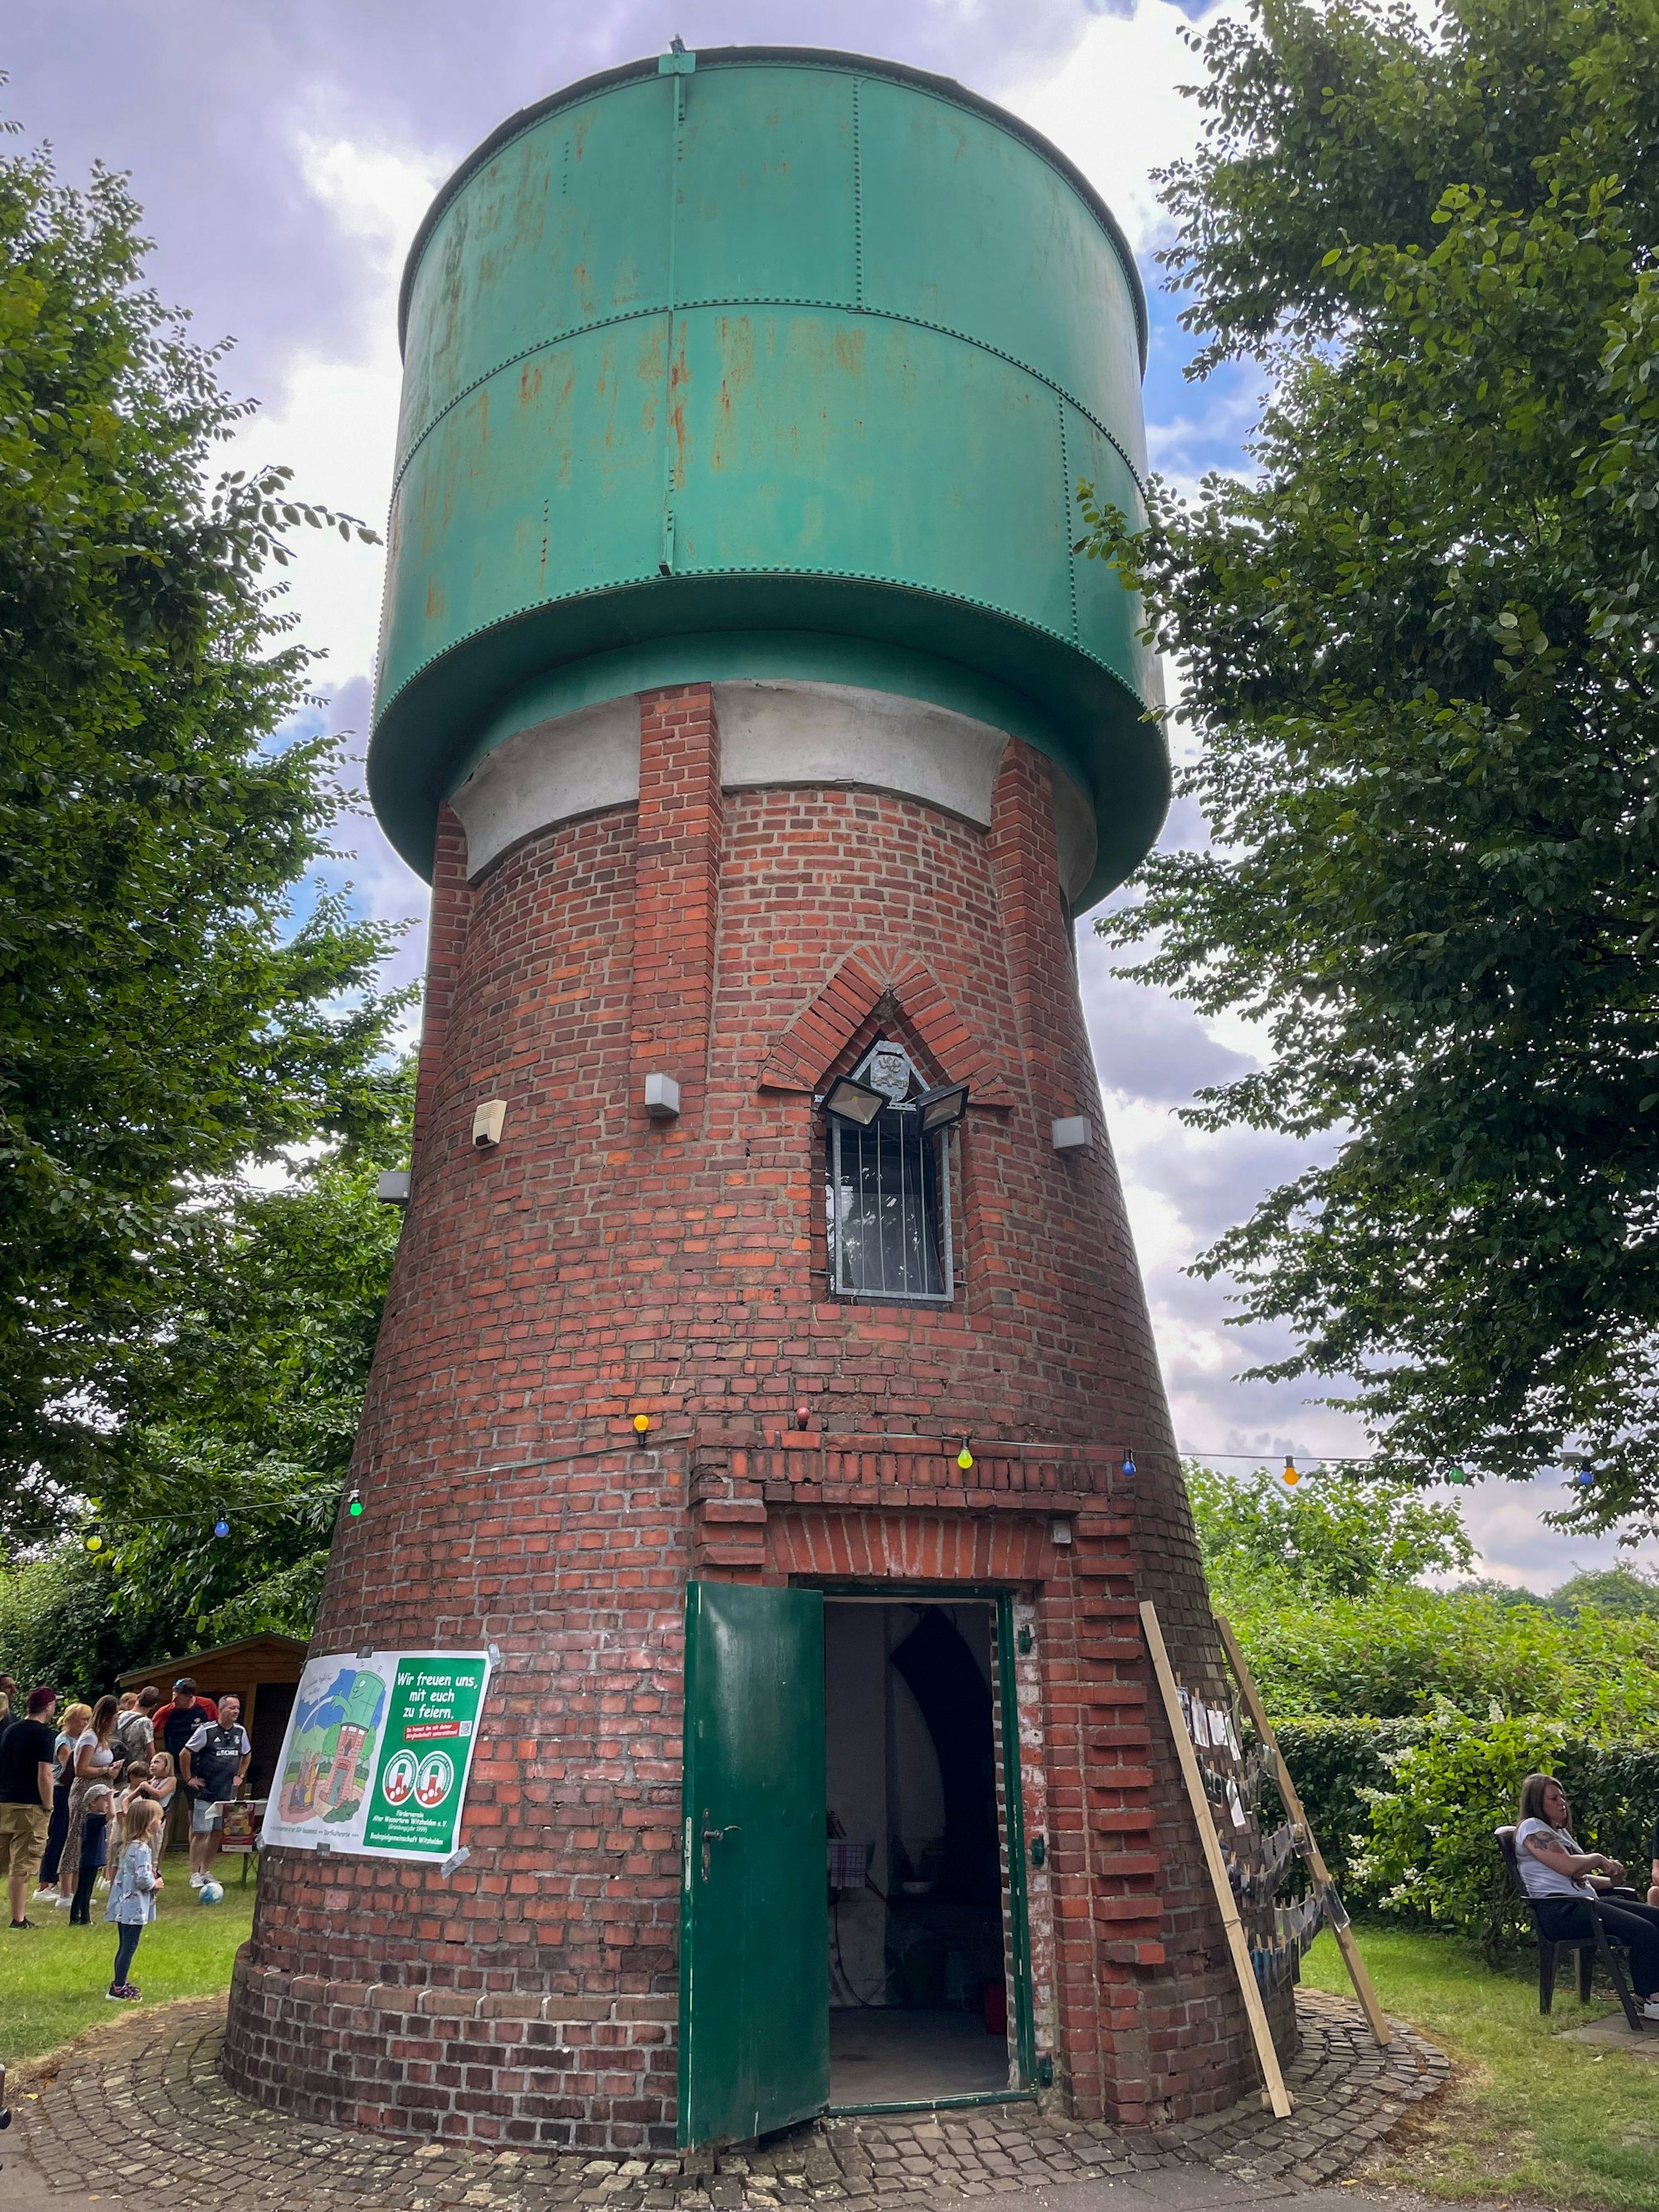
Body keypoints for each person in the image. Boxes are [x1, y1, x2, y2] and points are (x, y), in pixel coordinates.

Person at [1515, 1773, 1659, 2021]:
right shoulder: (1532, 1828)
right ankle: (1650, 1998)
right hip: (1562, 1911)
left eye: (1562, 1797)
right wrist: (1598, 1859)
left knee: (1656, 1918)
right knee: (1644, 1930)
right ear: (1537, 1803)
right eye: (1553, 1799)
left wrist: (1610, 1882)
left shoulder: (1558, 1832)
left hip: (1584, 1904)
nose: (1562, 1803)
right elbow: (1568, 1867)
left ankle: (1647, 1994)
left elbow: (1578, 1878)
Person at [0, 1685, 57, 1929]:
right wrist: (49, 1805)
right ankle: (19, 1918)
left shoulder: (11, 1729)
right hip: (29, 1805)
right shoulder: (44, 1734)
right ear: (48, 1707)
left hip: (4, 1802)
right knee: (22, 1865)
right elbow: (45, 1774)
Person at [180, 1693, 251, 1886]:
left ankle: (206, 1870)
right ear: (221, 1709)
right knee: (201, 1832)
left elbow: (247, 1754)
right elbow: (185, 1753)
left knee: (217, 1832)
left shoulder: (240, 1732)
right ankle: (194, 1873)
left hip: (226, 1793)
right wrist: (189, 1778)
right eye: (232, 1708)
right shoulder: (207, 1730)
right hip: (206, 1791)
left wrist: (240, 1775)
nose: (236, 1711)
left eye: (238, 1708)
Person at [58, 1695, 119, 1902]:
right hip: (85, 1792)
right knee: (76, 1838)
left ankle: (79, 1891)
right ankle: (66, 1892)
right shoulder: (90, 1737)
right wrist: (105, 1770)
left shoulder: (102, 1738)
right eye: (115, 1715)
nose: (116, 1719)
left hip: (100, 1791)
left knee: (91, 1841)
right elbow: (81, 1769)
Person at [105, 1798, 163, 2001]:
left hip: (123, 1905)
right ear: (148, 1824)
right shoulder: (142, 1850)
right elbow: (143, 1880)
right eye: (159, 1819)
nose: (161, 1823)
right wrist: (156, 1883)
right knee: (129, 1946)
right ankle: (118, 1988)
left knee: (124, 1945)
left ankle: (119, 1982)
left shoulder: (128, 1846)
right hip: (134, 1907)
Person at [35, 1701, 90, 1900]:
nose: (86, 1723)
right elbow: (70, 1765)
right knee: (58, 1834)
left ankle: (60, 1880)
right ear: (72, 1719)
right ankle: (45, 1883)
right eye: (83, 1719)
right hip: (62, 1790)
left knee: (71, 1837)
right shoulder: (63, 1741)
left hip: (75, 1790)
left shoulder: (82, 1739)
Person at [69, 1783, 114, 1924]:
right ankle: (83, 1918)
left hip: (91, 1859)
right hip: (90, 1859)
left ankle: (77, 1917)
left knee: (83, 1890)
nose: (108, 1803)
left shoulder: (93, 1819)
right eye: (105, 1800)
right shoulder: (93, 1819)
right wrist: (111, 1796)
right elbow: (112, 1814)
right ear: (93, 1802)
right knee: (85, 1891)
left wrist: (108, 1797)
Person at [113, 1690, 154, 1771]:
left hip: (116, 1763)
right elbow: (150, 1751)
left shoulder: (118, 1715)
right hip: (136, 1767)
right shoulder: (145, 1721)